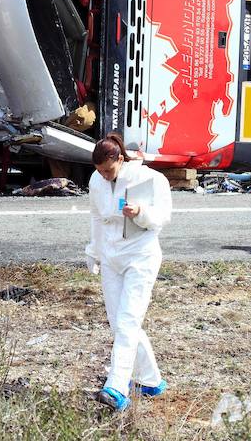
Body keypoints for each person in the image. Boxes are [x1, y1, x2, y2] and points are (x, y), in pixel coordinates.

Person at [86, 133, 172, 412]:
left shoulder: (151, 179)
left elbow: (163, 217)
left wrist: (141, 213)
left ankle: (117, 386)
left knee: (128, 320)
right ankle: (151, 380)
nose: (104, 176)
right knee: (118, 321)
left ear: (120, 159)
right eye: (99, 171)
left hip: (141, 254)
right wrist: (94, 252)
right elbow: (97, 218)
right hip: (111, 255)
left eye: (108, 170)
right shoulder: (97, 181)